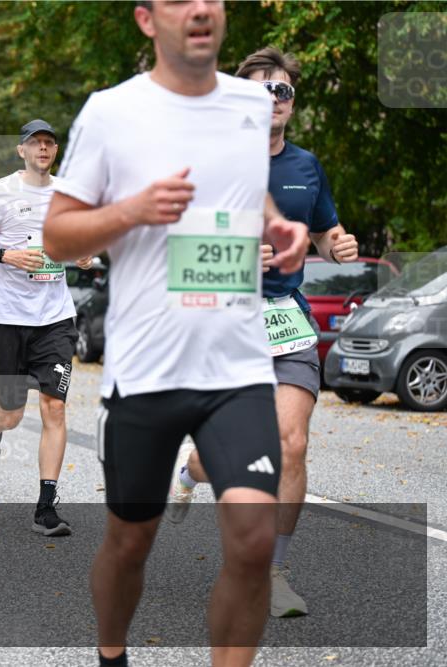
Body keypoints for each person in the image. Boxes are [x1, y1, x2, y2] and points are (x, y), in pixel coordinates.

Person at [42, 2, 310, 665]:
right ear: (145, 19)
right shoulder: (111, 112)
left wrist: (280, 227)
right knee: (129, 541)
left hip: (239, 369)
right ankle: (111, 652)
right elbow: (55, 234)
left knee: (251, 541)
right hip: (147, 369)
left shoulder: (250, 106)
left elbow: (249, 194)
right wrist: (132, 209)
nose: (199, 8)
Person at [167, 46, 358, 619]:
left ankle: (274, 572)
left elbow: (325, 231)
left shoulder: (305, 166)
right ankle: (190, 468)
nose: (274, 100)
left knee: (291, 444)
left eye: (284, 91)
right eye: (261, 91)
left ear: (292, 105)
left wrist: (337, 244)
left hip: (285, 318)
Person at [0, 118, 92, 537]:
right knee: (12, 412)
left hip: (54, 317)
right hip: (5, 318)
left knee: (54, 406)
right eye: (35, 143)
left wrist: (83, 254)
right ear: (21, 150)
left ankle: (46, 507)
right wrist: (6, 256)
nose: (43, 149)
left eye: (49, 143)